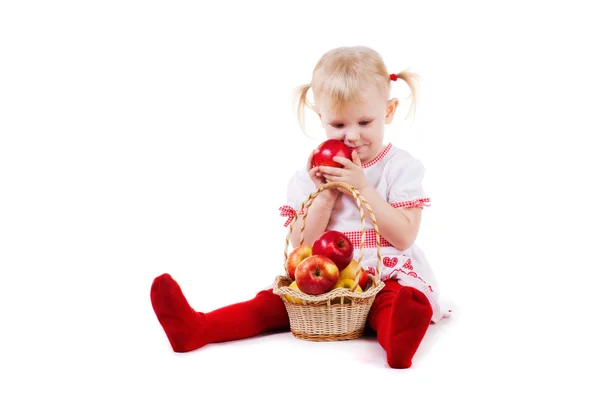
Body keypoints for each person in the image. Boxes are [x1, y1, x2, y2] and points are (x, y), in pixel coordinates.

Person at [150, 45, 451, 369]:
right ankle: (197, 328)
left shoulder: (399, 167)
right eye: (338, 125)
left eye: (365, 121)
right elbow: (303, 246)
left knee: (388, 302)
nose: (351, 136)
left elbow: (404, 237)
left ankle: (399, 338)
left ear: (389, 111)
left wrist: (362, 186)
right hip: (324, 274)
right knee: (273, 304)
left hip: (380, 274)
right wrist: (325, 195)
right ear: (321, 118)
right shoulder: (309, 176)